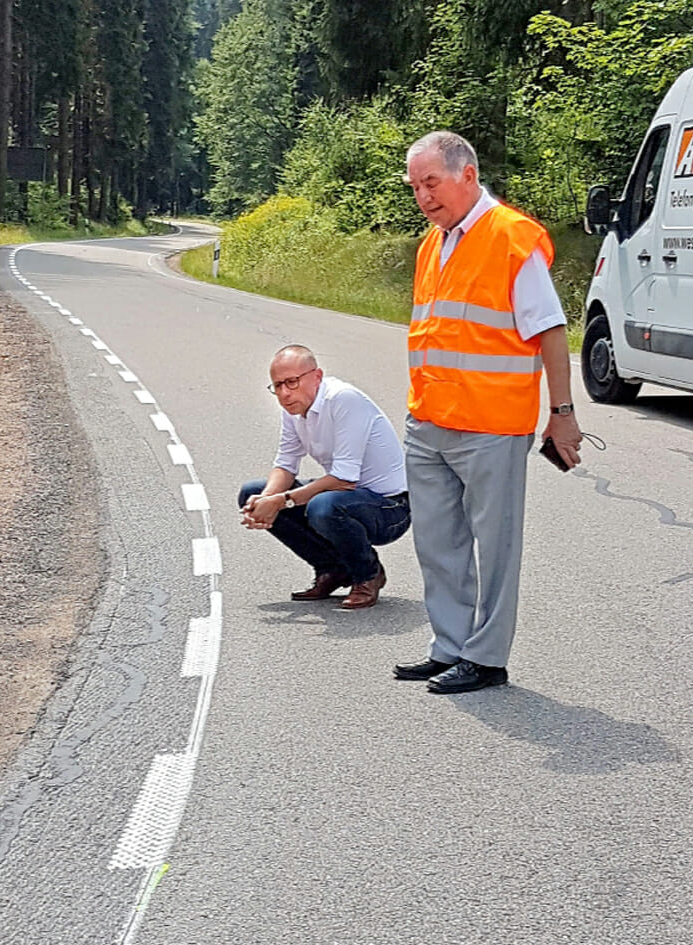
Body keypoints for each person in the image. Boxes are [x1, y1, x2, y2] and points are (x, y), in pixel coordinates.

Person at [395, 130, 583, 693]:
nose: (424, 196)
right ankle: (450, 646)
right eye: (415, 187)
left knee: (496, 549)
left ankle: (487, 657)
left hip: (491, 427)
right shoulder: (433, 243)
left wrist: (562, 412)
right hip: (429, 421)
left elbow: (550, 331)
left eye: (432, 183)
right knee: (437, 544)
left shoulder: (511, 237)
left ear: (468, 175)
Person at [238, 345, 411, 610]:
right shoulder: (294, 410)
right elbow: (285, 465)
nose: (284, 393)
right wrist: (265, 499)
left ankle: (368, 574)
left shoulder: (343, 399)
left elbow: (343, 479)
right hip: (348, 497)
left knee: (324, 506)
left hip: (390, 506)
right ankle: (333, 569)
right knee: (252, 490)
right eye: (278, 386)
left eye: (292, 382)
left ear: (317, 376)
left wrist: (280, 501)